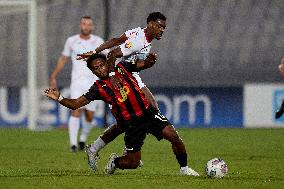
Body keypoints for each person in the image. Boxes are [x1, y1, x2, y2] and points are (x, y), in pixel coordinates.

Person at [44, 54, 199, 176]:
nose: (100, 69)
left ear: (107, 63)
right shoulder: (98, 88)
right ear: (93, 72)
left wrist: (151, 61)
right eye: (96, 68)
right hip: (132, 124)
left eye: (102, 65)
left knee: (174, 136)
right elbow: (76, 104)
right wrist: (59, 98)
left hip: (148, 113)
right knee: (132, 163)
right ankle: (115, 162)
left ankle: (184, 168)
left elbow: (143, 64)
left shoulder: (122, 67)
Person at [75, 12, 166, 166]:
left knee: (127, 122)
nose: (162, 30)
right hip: (124, 76)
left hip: (130, 74)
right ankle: (127, 152)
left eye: (164, 27)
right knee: (145, 111)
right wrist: (112, 75)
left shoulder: (137, 31)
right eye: (160, 26)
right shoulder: (140, 39)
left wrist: (96, 51)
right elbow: (115, 52)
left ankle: (100, 149)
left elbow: (116, 40)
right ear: (150, 24)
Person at [50, 16, 108, 152]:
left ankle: (83, 138)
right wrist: (53, 76)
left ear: (92, 27)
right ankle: (73, 144)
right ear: (80, 25)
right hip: (77, 81)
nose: (86, 26)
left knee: (90, 115)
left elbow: (108, 57)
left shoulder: (98, 41)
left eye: (89, 24)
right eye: (84, 24)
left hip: (93, 82)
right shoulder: (71, 41)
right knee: (75, 110)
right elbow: (63, 59)